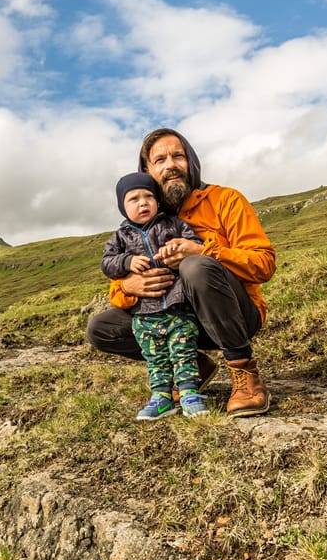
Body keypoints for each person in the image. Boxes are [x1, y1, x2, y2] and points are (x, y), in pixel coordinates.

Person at [87, 128, 276, 417]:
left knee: (194, 266)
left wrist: (204, 252)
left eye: (178, 156)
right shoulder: (143, 216)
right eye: (160, 159)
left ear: (191, 161)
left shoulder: (226, 200)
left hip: (236, 317)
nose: (171, 164)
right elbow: (117, 280)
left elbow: (264, 264)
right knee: (101, 329)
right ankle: (192, 364)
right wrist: (128, 286)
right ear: (148, 170)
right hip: (176, 321)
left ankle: (245, 374)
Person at [101, 172, 206, 420]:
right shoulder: (120, 238)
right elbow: (107, 263)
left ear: (158, 200)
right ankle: (161, 398)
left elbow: (193, 242)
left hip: (177, 306)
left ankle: (190, 393)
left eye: (148, 196)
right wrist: (126, 261)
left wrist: (178, 248)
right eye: (134, 199)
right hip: (144, 314)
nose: (143, 202)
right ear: (122, 207)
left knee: (184, 351)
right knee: (155, 357)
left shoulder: (173, 224)